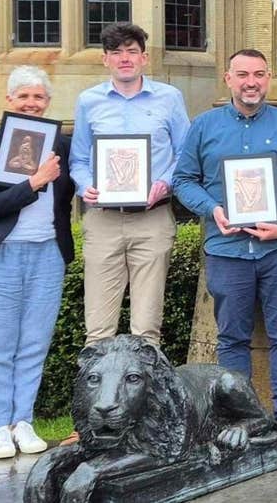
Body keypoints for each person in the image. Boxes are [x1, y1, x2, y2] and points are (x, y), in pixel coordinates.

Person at [172, 49, 277, 451]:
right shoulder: (204, 126)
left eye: (258, 74)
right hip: (227, 249)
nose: (250, 81)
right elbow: (183, 180)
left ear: (268, 78)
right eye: (242, 74)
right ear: (228, 78)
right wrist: (212, 208)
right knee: (231, 339)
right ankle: (238, 421)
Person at [69, 23, 190, 348]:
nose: (125, 58)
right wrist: (86, 186)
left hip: (152, 221)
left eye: (132, 51)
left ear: (144, 58)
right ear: (105, 59)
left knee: (147, 330)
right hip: (103, 220)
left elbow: (186, 155)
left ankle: (145, 400)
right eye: (117, 52)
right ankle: (96, 399)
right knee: (97, 330)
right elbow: (78, 159)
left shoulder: (169, 98)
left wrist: (165, 183)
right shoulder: (88, 101)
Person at [0, 67, 74, 459]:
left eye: (39, 98)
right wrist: (34, 182)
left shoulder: (61, 145)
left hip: (47, 252)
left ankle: (24, 421)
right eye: (24, 97)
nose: (32, 104)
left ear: (48, 103)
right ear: (9, 101)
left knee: (34, 343)